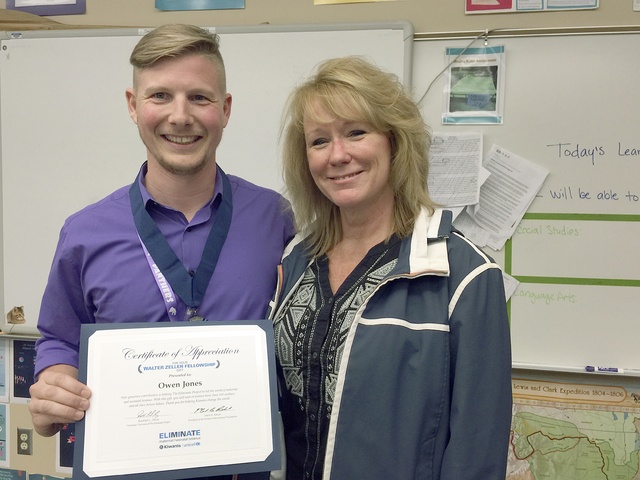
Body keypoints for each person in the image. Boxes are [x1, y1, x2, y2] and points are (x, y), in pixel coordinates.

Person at [28, 24, 294, 480]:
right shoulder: (85, 232)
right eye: (159, 96)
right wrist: (55, 381)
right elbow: (60, 337)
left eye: (200, 97)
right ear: (133, 106)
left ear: (225, 110)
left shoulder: (275, 220)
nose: (180, 115)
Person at [268, 56, 512, 480]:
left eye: (356, 132)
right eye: (319, 141)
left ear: (394, 141)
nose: (338, 155)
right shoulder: (296, 260)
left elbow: (476, 454)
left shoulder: (464, 276)